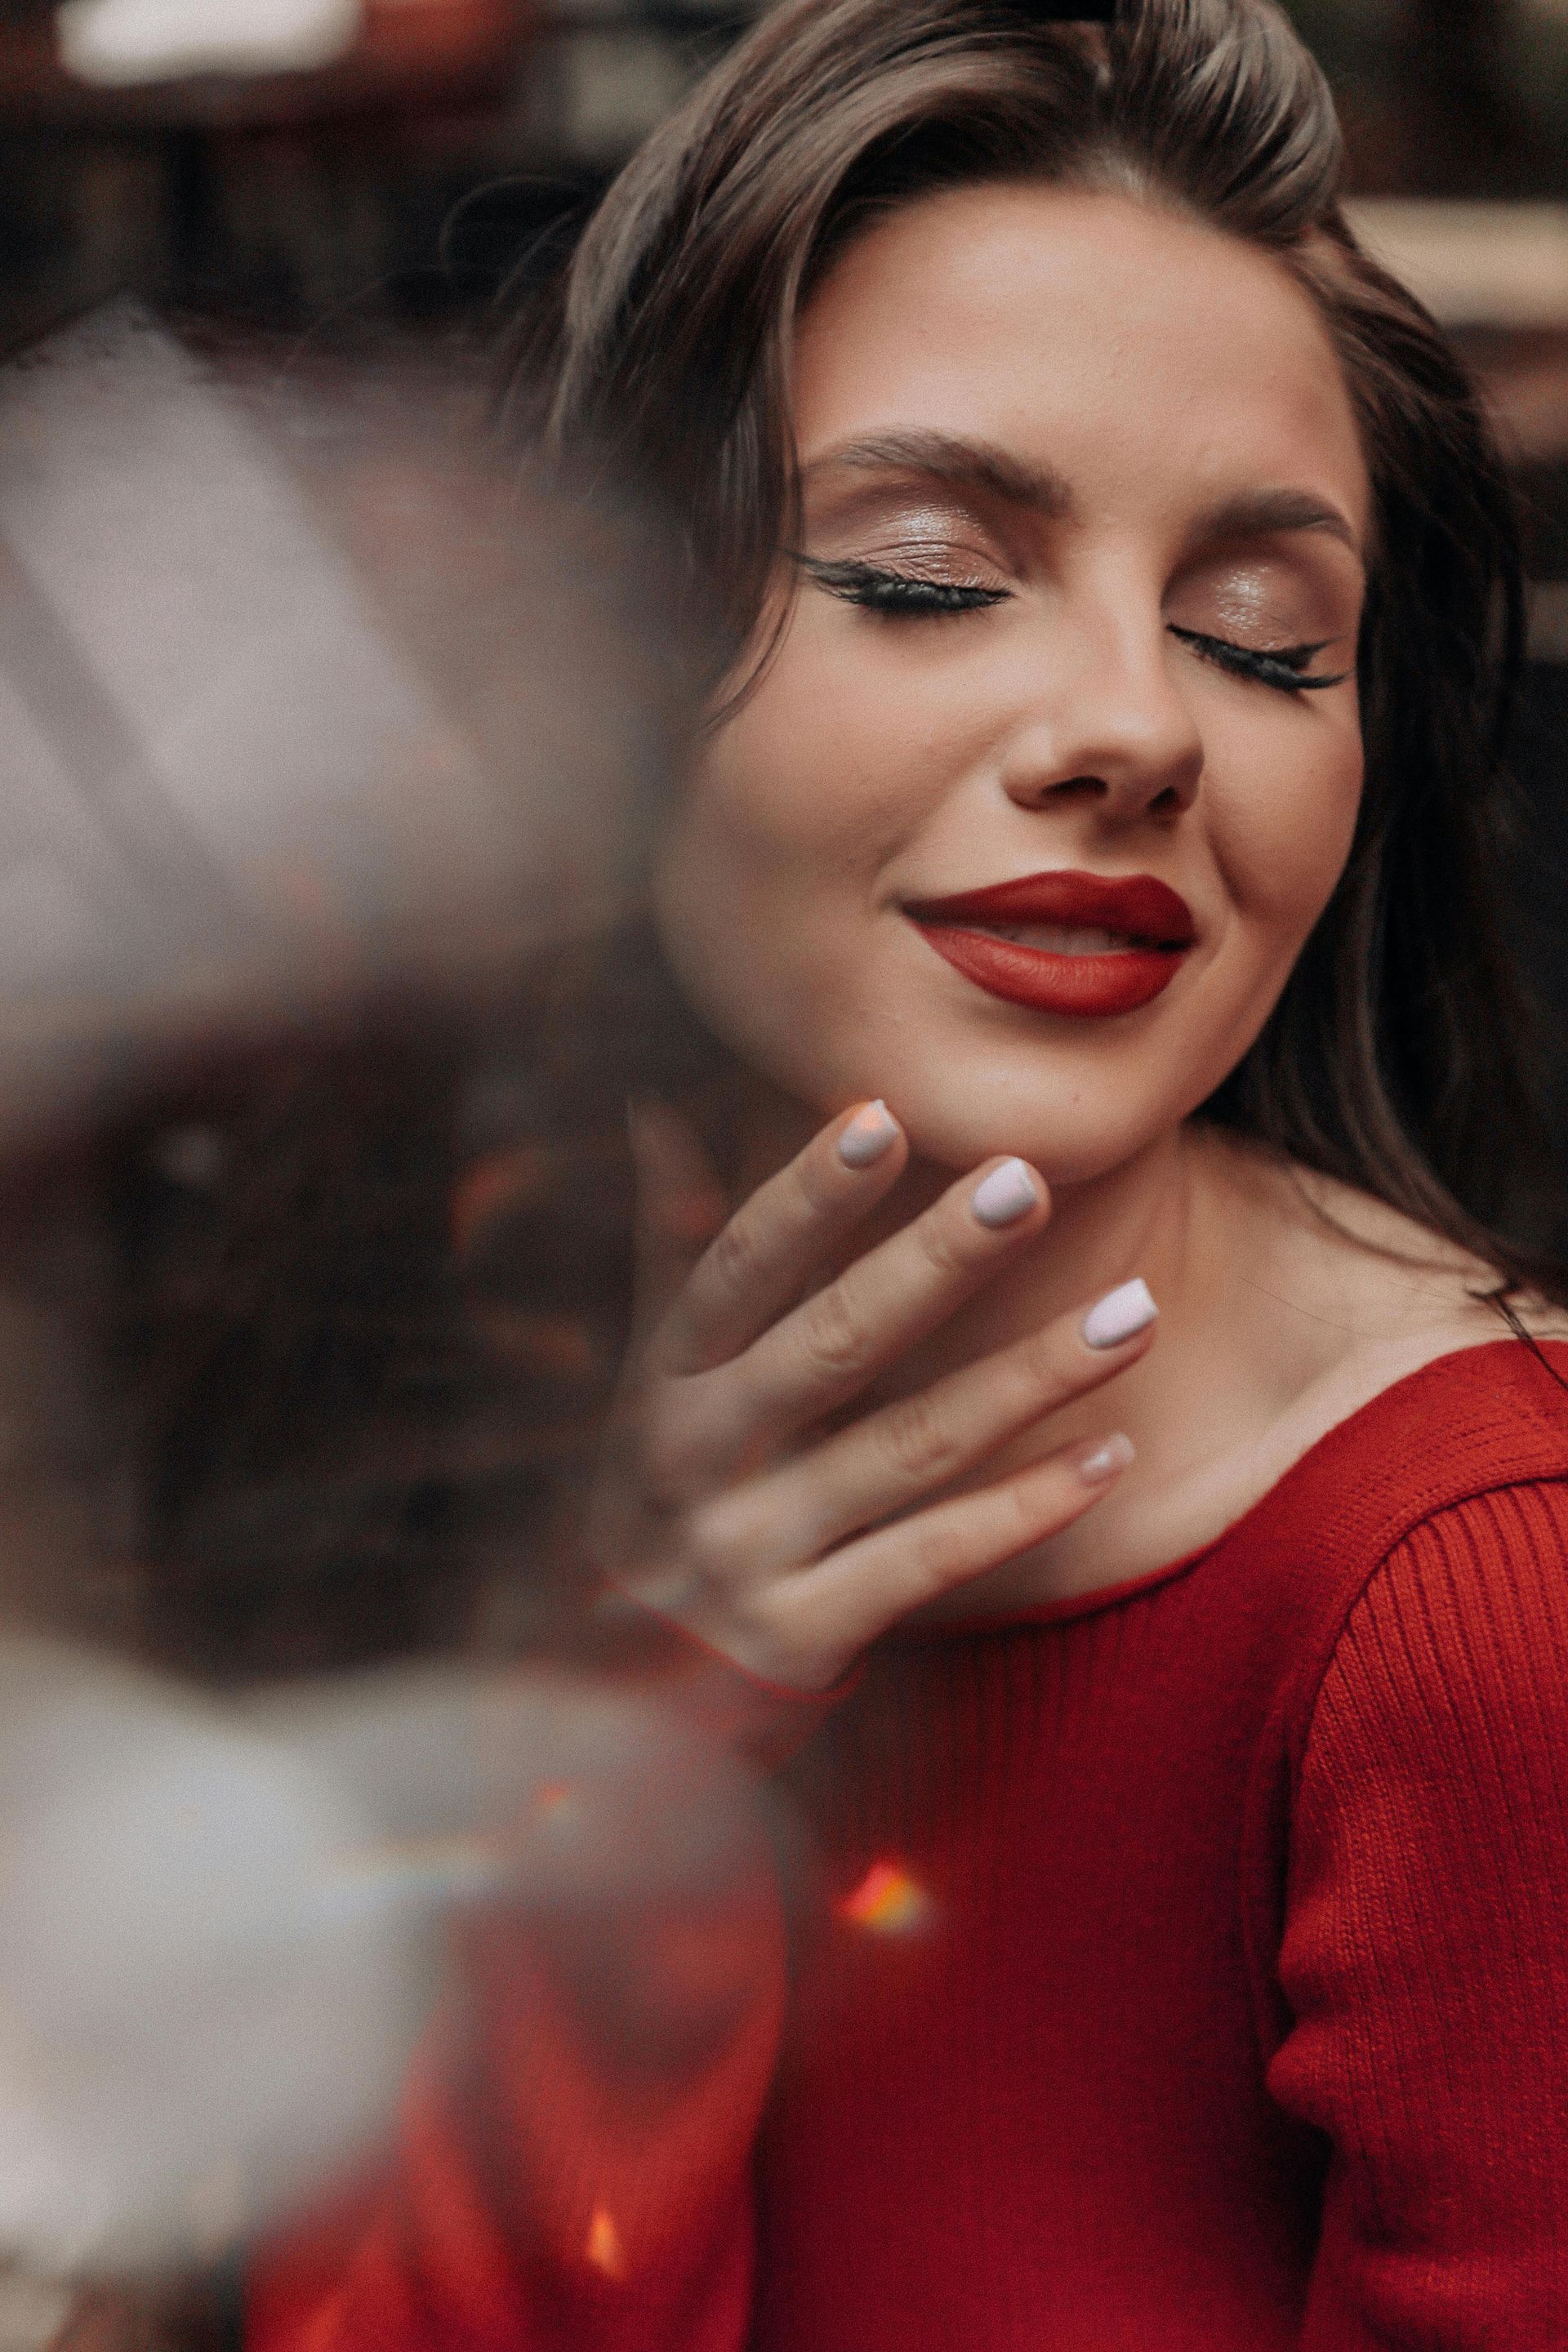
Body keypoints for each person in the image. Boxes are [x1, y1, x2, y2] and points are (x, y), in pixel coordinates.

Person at [250, 1, 1568, 2345]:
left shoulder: (1479, 1610)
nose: (1138, 729)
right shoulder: (488, 1387)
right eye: (935, 576)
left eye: (1268, 643)